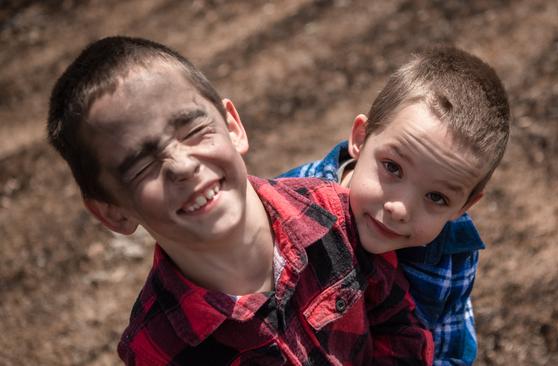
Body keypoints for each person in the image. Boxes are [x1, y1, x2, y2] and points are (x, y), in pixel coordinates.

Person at [47, 36, 433, 365]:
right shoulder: (155, 347)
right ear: (111, 212)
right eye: (140, 165)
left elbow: (398, 326)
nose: (181, 165)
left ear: (232, 127)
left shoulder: (336, 215)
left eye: (193, 129)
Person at [280, 46, 510, 365]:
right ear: (360, 138)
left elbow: (449, 340)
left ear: (464, 206)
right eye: (392, 167)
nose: (400, 208)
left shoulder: (452, 253)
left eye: (437, 197)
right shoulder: (290, 206)